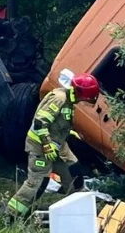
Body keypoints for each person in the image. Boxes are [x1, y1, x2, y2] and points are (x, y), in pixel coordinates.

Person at [6, 73, 101, 221]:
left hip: (59, 147)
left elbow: (57, 124)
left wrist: (70, 133)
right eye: (88, 97)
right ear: (82, 93)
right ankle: (11, 216)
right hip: (41, 147)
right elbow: (40, 122)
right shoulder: (59, 99)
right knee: (37, 184)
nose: (88, 100)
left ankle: (78, 214)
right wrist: (47, 145)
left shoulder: (70, 101)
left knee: (74, 173)